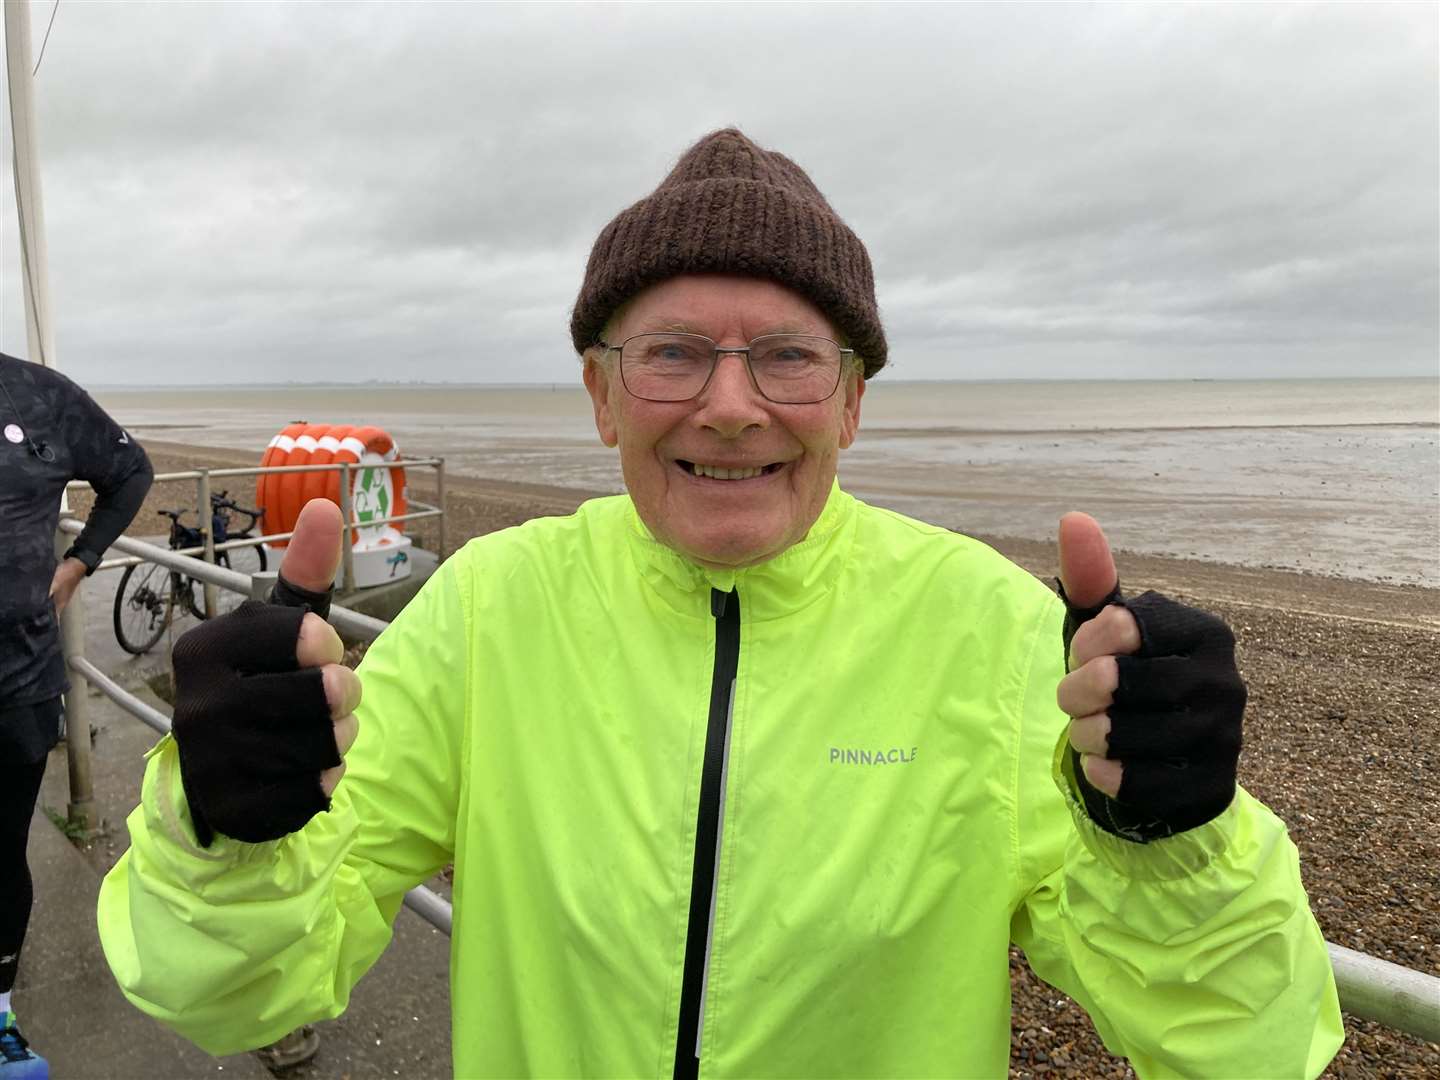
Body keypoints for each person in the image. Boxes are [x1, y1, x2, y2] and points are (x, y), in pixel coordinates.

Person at [96, 130, 1342, 1078]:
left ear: (852, 402)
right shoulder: (495, 608)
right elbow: (231, 994)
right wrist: (230, 829)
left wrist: (1178, 842)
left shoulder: (985, 625)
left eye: (789, 355)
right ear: (601, 394)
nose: (733, 405)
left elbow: (1245, 1045)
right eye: (675, 351)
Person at [1, 352, 153, 1077]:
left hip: (20, 682)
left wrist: (82, 558)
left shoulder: (42, 394)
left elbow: (130, 473)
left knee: (2, 857)